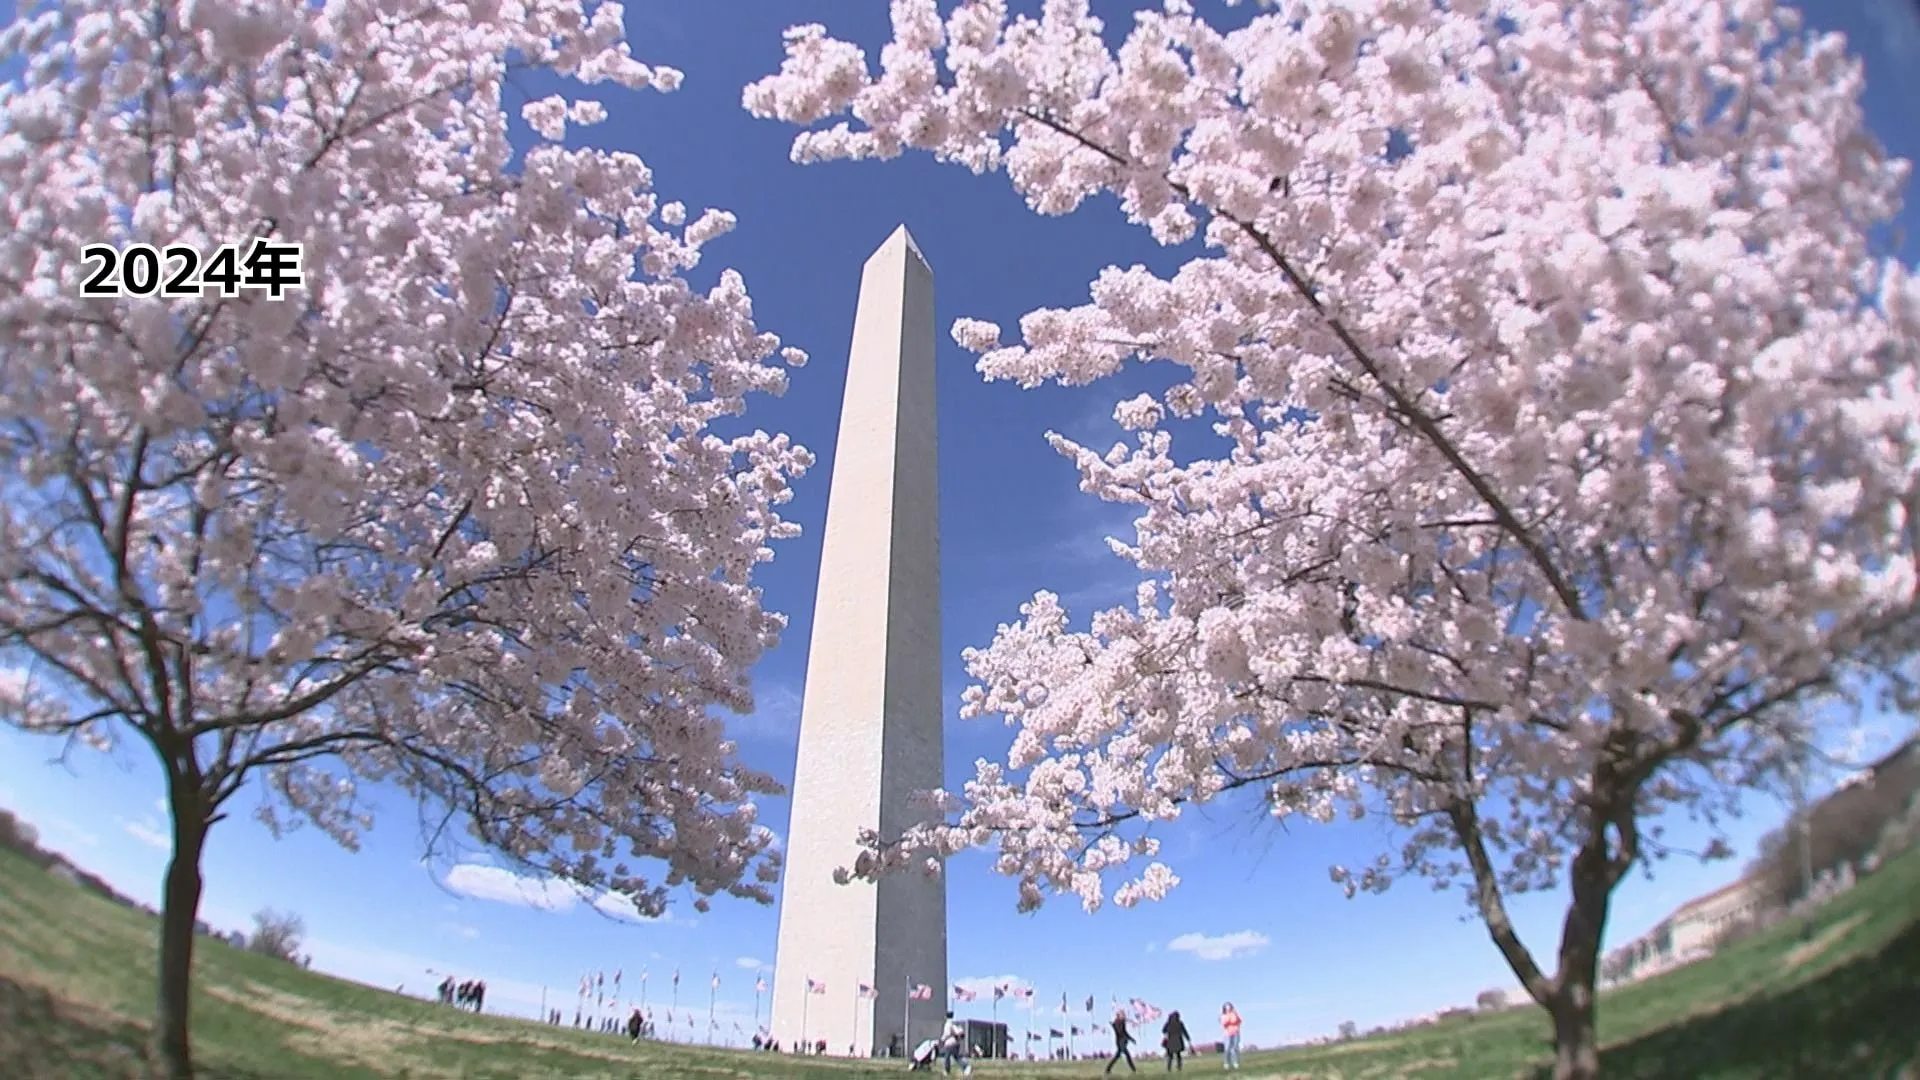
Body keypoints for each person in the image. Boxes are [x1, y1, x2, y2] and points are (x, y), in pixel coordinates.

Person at [939, 1011, 972, 1076]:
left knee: (947, 1057)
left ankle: (947, 1071)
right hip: (956, 1043)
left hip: (950, 1043)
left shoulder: (948, 1024)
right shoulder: (955, 1023)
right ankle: (966, 1067)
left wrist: (942, 1040)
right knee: (956, 1057)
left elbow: (947, 1034)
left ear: (946, 1016)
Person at [1219, 1002, 1242, 1070]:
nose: (1228, 1008)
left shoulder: (1234, 1014)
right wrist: (1229, 1019)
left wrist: (1235, 1015)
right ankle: (1226, 1063)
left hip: (1236, 1032)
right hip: (1227, 1034)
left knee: (1235, 1048)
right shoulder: (1223, 1015)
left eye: (1229, 1006)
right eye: (1227, 1007)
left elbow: (1239, 1021)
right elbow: (1224, 1023)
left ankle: (1235, 1062)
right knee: (1227, 1048)